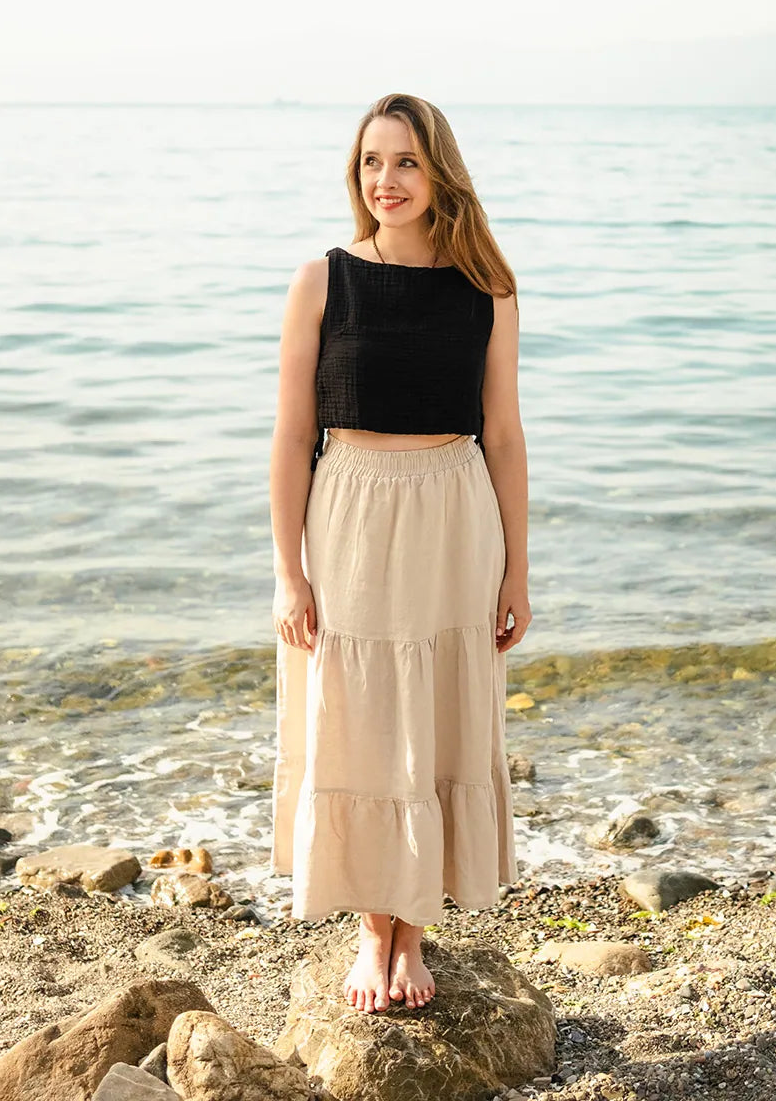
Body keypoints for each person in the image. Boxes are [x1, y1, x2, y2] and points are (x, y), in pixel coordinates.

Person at [269, 93, 531, 1017]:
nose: (388, 181)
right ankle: (373, 930)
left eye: (408, 162)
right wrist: (288, 570)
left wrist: (517, 570)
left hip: (455, 512)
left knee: (436, 717)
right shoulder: (323, 280)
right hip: (348, 513)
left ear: (441, 173)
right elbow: (294, 432)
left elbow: (503, 433)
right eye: (373, 162)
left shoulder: (486, 287)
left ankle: (409, 934)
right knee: (363, 717)